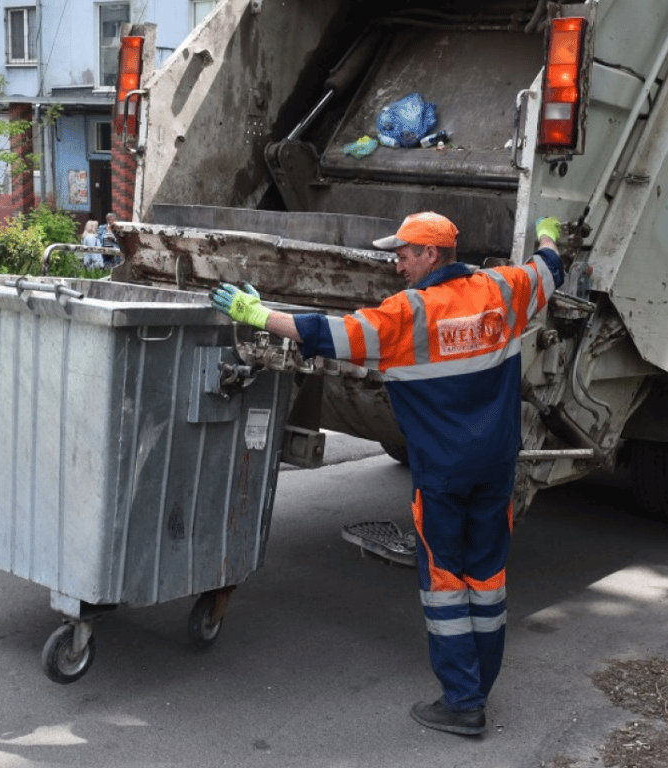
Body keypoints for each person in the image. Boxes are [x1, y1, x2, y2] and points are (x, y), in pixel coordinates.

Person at [209, 212, 564, 736]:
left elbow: (326, 334)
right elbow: (549, 267)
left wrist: (256, 313)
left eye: (404, 253)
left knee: (445, 582)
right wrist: (548, 231)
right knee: (486, 577)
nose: (396, 263)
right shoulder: (504, 288)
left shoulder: (407, 315)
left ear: (432, 256)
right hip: (495, 467)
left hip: (443, 474)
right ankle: (479, 686)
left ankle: (463, 703)